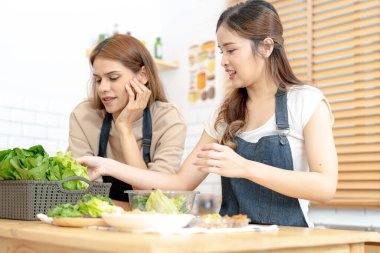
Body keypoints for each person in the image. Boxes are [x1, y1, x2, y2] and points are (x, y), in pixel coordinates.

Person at [78, 0, 338, 227]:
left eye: (231, 49)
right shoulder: (224, 115)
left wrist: (245, 167)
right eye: (220, 51)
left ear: (267, 47)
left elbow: (325, 186)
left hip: (291, 243)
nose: (223, 60)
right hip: (232, 240)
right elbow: (178, 185)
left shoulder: (306, 101)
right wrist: (109, 165)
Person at [68, 34, 187, 208]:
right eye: (98, 80)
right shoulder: (83, 115)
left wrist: (124, 128)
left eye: (113, 77)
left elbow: (150, 200)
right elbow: (81, 193)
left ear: (143, 76)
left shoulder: (168, 120)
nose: (102, 88)